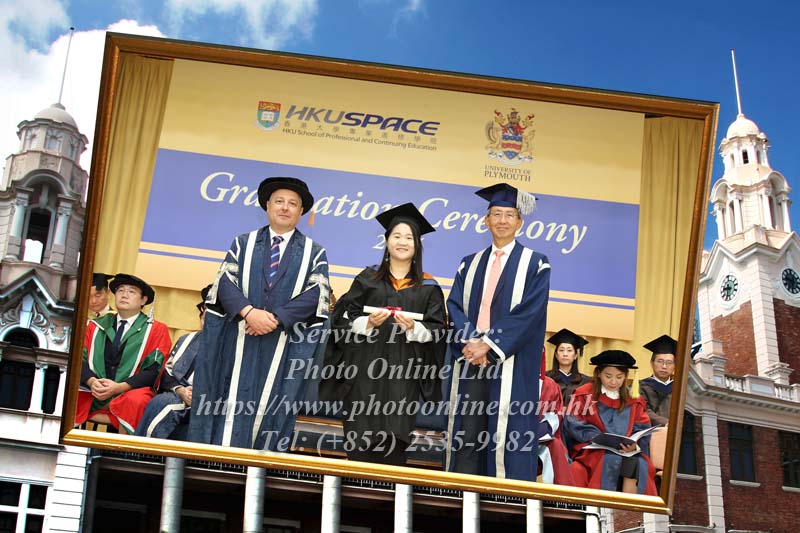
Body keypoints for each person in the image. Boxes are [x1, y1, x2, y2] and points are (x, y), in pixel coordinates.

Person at [189, 177, 330, 450]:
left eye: (293, 204)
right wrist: (249, 312)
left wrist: (275, 319)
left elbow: (316, 294)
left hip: (283, 344)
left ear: (301, 211)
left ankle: (259, 469)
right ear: (267, 206)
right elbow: (224, 283)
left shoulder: (314, 252)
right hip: (238, 339)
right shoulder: (243, 243)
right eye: (279, 201)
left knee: (273, 405)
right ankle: (219, 464)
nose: (285, 208)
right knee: (228, 403)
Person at [323, 203, 446, 465]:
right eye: (396, 236)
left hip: (403, 379)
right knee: (359, 447)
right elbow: (342, 319)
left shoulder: (428, 287)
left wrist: (414, 329)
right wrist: (366, 323)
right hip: (363, 377)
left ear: (417, 245)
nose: (402, 242)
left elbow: (438, 331)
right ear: (387, 241)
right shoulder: (366, 279)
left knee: (394, 452)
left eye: (409, 237)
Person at [445, 183, 550, 481]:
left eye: (509, 215)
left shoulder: (536, 263)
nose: (502, 220)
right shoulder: (469, 264)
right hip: (471, 361)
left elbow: (530, 313)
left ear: (520, 222)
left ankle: (503, 502)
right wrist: (471, 343)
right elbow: (454, 306)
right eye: (496, 214)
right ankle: (461, 495)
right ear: (486, 220)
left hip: (510, 362)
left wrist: (489, 344)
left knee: (506, 436)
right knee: (467, 432)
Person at [76, 273, 172, 434]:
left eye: (131, 291)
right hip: (95, 390)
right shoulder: (95, 326)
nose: (124, 295)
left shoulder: (156, 330)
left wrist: (119, 387)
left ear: (143, 300)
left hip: (128, 391)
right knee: (69, 392)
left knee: (137, 401)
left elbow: (153, 371)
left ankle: (122, 447)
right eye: (120, 290)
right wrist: (92, 382)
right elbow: (79, 360)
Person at [564, 350, 657, 495]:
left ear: (625, 376)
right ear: (598, 374)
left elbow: (641, 427)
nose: (614, 382)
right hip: (593, 449)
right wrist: (598, 438)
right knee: (610, 458)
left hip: (626, 451)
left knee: (639, 463)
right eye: (608, 376)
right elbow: (574, 423)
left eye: (619, 377)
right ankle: (602, 506)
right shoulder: (583, 394)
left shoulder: (634, 399)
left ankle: (631, 508)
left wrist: (634, 445)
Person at [136, 285, 218, 440]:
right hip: (180, 396)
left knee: (164, 404)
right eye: (204, 316)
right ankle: (139, 450)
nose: (207, 322)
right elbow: (167, 373)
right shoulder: (186, 340)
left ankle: (140, 450)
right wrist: (181, 390)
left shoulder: (234, 349)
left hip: (211, 403)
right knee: (162, 402)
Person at [545, 328, 591, 406]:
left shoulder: (585, 381)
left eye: (569, 350)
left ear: (575, 355)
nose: (565, 354)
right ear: (556, 355)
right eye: (561, 350)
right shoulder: (546, 379)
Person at [639, 334, 677, 426]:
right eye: (660, 361)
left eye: (669, 362)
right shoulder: (640, 386)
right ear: (652, 363)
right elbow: (642, 410)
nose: (664, 366)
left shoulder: (680, 389)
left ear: (675, 366)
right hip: (651, 431)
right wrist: (667, 423)